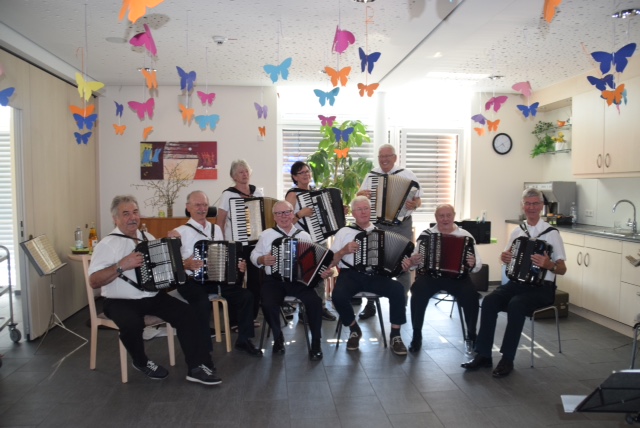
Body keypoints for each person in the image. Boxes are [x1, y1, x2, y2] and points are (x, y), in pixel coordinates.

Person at [88, 195, 220, 385]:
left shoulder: (146, 237)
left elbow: (164, 267)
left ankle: (196, 366)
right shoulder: (107, 244)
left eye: (135, 212)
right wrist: (122, 265)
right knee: (132, 324)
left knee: (188, 314)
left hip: (151, 296)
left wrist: (176, 252)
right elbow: (93, 281)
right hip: (119, 300)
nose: (132, 217)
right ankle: (141, 361)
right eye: (126, 214)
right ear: (115, 219)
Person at [462, 187, 567, 377]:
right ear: (523, 206)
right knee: (489, 301)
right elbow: (507, 258)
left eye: (535, 203)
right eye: (528, 204)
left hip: (542, 289)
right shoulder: (518, 231)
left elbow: (562, 269)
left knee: (516, 304)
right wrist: (505, 257)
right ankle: (484, 354)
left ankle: (507, 359)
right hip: (516, 284)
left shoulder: (552, 233)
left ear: (542, 206)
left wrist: (549, 264)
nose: (531, 207)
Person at [168, 190, 262, 357]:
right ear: (188, 208)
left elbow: (225, 254)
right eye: (197, 205)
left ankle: (244, 340)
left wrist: (238, 265)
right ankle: (204, 349)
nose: (202, 208)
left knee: (246, 296)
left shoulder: (216, 230)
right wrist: (186, 264)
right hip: (190, 281)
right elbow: (171, 265)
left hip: (216, 280)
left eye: (205, 205)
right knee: (201, 303)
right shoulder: (178, 232)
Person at [323, 195, 408, 356]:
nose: (363, 212)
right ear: (353, 213)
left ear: (371, 211)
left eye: (366, 208)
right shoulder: (344, 232)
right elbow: (331, 261)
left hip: (374, 275)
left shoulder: (380, 233)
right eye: (359, 209)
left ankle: (395, 335)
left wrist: (404, 265)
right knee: (338, 296)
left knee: (398, 289)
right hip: (350, 274)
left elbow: (392, 262)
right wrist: (343, 251)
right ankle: (354, 329)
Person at [401, 204, 482, 353]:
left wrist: (473, 263)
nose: (445, 219)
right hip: (431, 276)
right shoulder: (425, 235)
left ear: (454, 216)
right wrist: (413, 262)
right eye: (441, 216)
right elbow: (414, 264)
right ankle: (416, 335)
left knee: (471, 295)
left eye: (448, 215)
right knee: (418, 291)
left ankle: (472, 334)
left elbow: (477, 265)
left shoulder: (466, 236)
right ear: (436, 217)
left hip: (458, 278)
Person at [250, 200, 324, 361]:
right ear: (274, 217)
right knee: (268, 303)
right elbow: (253, 256)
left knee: (315, 302)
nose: (283, 216)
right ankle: (278, 337)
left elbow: (312, 262)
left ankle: (316, 342)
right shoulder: (266, 235)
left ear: (292, 214)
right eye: (279, 213)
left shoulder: (304, 236)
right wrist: (262, 259)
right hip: (274, 281)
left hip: (299, 282)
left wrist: (320, 271)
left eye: (287, 212)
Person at [356, 143, 422, 319]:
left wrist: (414, 204)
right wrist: (362, 194)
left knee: (404, 264)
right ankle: (370, 305)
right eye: (381, 156)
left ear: (395, 157)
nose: (384, 159)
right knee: (373, 263)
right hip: (377, 224)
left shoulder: (407, 175)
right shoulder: (372, 175)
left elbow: (418, 200)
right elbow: (360, 196)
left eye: (387, 156)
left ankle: (401, 305)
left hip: (402, 225)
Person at [285, 160, 337, 322]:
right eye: (302, 172)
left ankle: (319, 307)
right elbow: (286, 221)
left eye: (307, 171)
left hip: (319, 239)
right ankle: (303, 310)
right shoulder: (292, 194)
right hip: (302, 241)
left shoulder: (316, 192)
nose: (306, 174)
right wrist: (301, 214)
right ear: (295, 177)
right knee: (305, 274)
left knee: (320, 274)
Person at [216, 159, 264, 324]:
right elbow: (220, 221)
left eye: (246, 171)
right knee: (235, 281)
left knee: (255, 281)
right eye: (240, 172)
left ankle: (251, 317)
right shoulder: (228, 194)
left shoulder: (257, 192)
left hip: (254, 245)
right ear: (233, 176)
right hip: (235, 244)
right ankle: (235, 320)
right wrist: (222, 244)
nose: (244, 175)